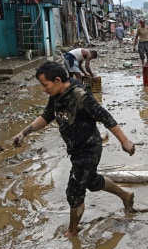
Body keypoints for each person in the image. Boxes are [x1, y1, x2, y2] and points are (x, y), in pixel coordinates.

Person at [12, 61, 136, 237]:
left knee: (74, 191)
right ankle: (125, 195)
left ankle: (72, 231)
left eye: (45, 85)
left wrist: (125, 141)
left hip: (88, 149)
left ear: (56, 80)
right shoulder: (56, 95)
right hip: (75, 149)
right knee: (91, 181)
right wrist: (24, 133)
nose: (43, 89)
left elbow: (105, 117)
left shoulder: (80, 96)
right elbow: (47, 116)